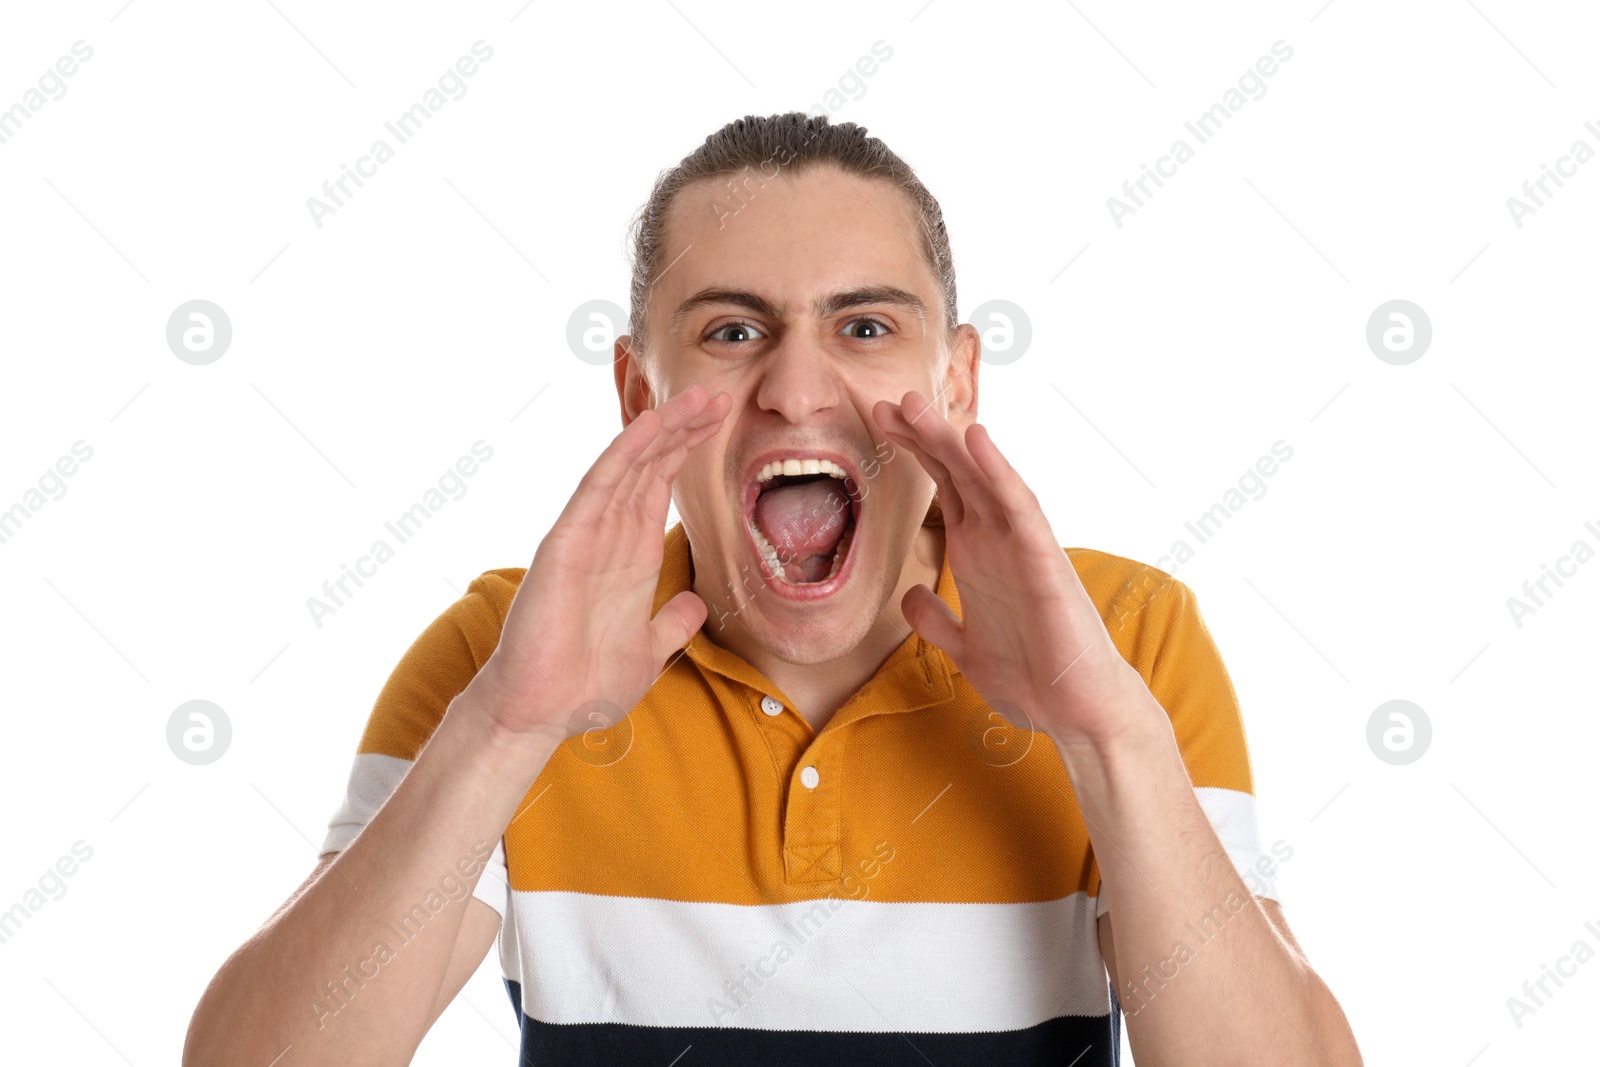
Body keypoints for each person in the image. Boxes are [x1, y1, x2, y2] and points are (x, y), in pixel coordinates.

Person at [183, 112, 1362, 1066]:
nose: (798, 388)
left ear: (954, 382)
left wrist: (1107, 739)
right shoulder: (504, 653)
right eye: (734, 330)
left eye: (862, 325)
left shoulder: (1126, 638)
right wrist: (507, 727)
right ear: (639, 395)